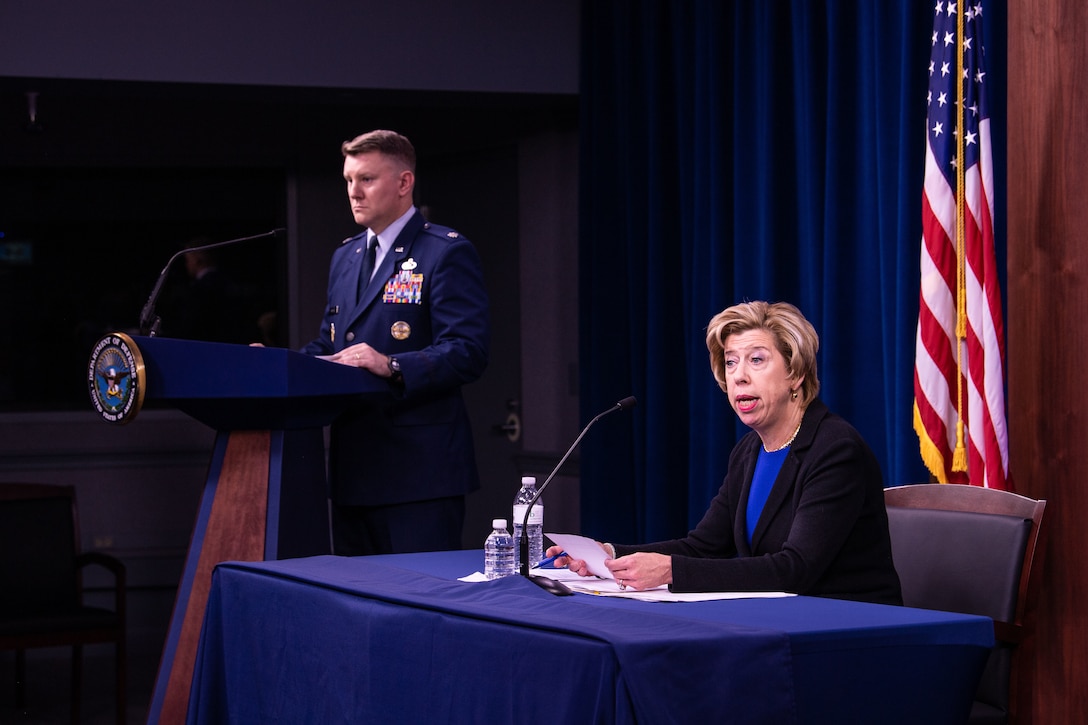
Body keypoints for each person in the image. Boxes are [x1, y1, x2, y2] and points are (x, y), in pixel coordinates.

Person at [550, 301, 902, 605]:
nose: (739, 377)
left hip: (851, 628)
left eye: (757, 360)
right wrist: (610, 555)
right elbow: (704, 546)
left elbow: (795, 569)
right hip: (782, 622)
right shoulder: (749, 451)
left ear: (795, 373)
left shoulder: (835, 450)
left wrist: (671, 572)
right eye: (731, 363)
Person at [301, 129, 490, 556]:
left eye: (366, 179)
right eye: (348, 180)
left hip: (418, 473)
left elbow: (469, 350)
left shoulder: (443, 252)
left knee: (416, 605)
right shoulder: (345, 257)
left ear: (404, 183)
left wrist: (393, 364)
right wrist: (275, 365)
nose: (354, 192)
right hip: (354, 469)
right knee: (357, 605)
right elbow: (332, 345)